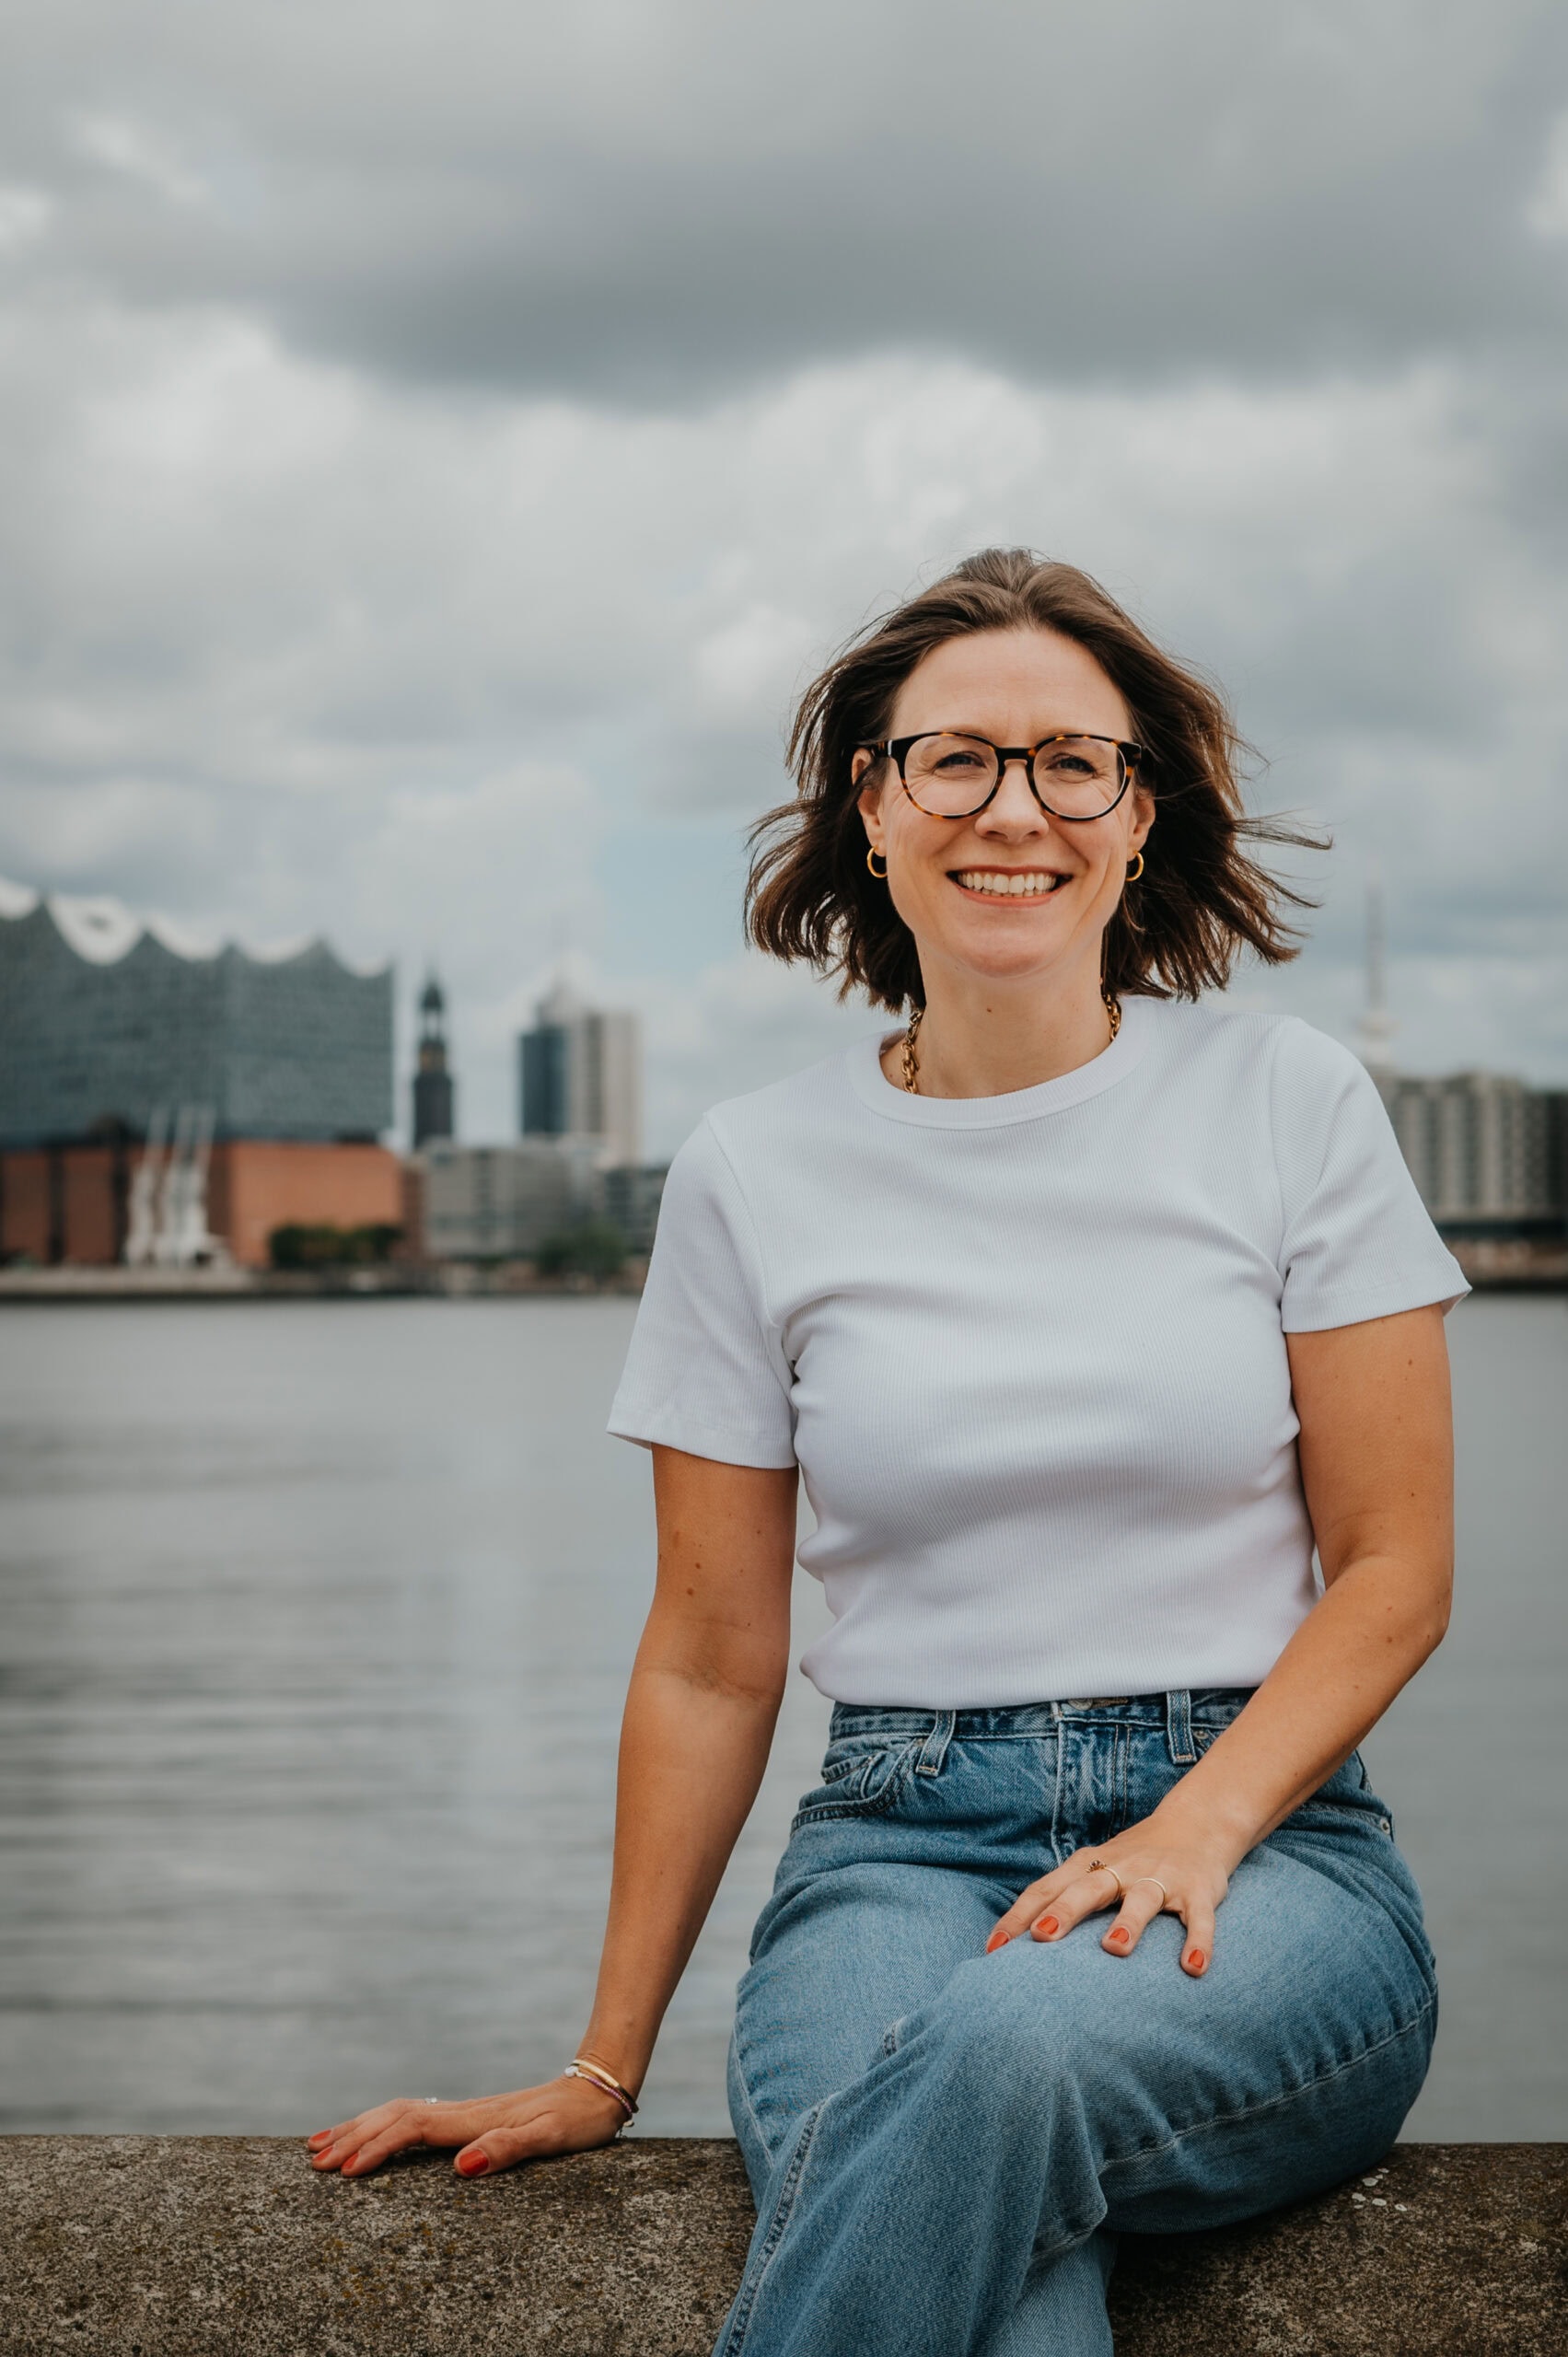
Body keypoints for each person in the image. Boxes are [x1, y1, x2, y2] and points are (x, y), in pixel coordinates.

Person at [308, 551, 1464, 2357]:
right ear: (873, 801)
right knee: (997, 2245)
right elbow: (710, 1654)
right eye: (958, 759)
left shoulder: (1287, 1101)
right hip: (896, 1845)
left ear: (1137, 812)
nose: (1016, 808)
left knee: (1002, 2054)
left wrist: (1195, 1823)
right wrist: (603, 2061)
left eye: (1072, 762)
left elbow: (1396, 1565)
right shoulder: (752, 1170)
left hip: (1265, 1850)